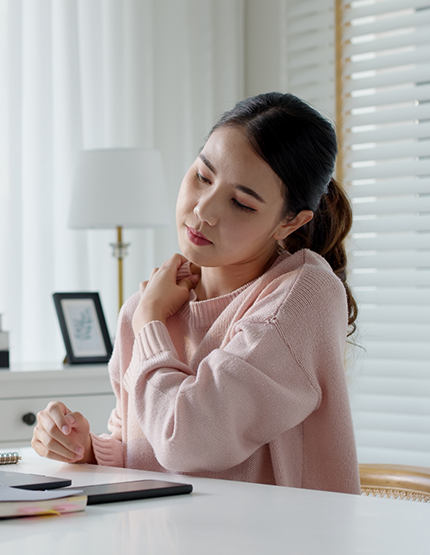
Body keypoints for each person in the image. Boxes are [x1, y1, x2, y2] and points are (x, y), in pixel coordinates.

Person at [32, 92, 361, 494]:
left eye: (241, 203)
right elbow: (142, 452)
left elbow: (184, 441)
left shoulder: (303, 293)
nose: (204, 209)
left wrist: (150, 323)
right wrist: (83, 449)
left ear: (289, 223)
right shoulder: (147, 305)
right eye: (203, 176)